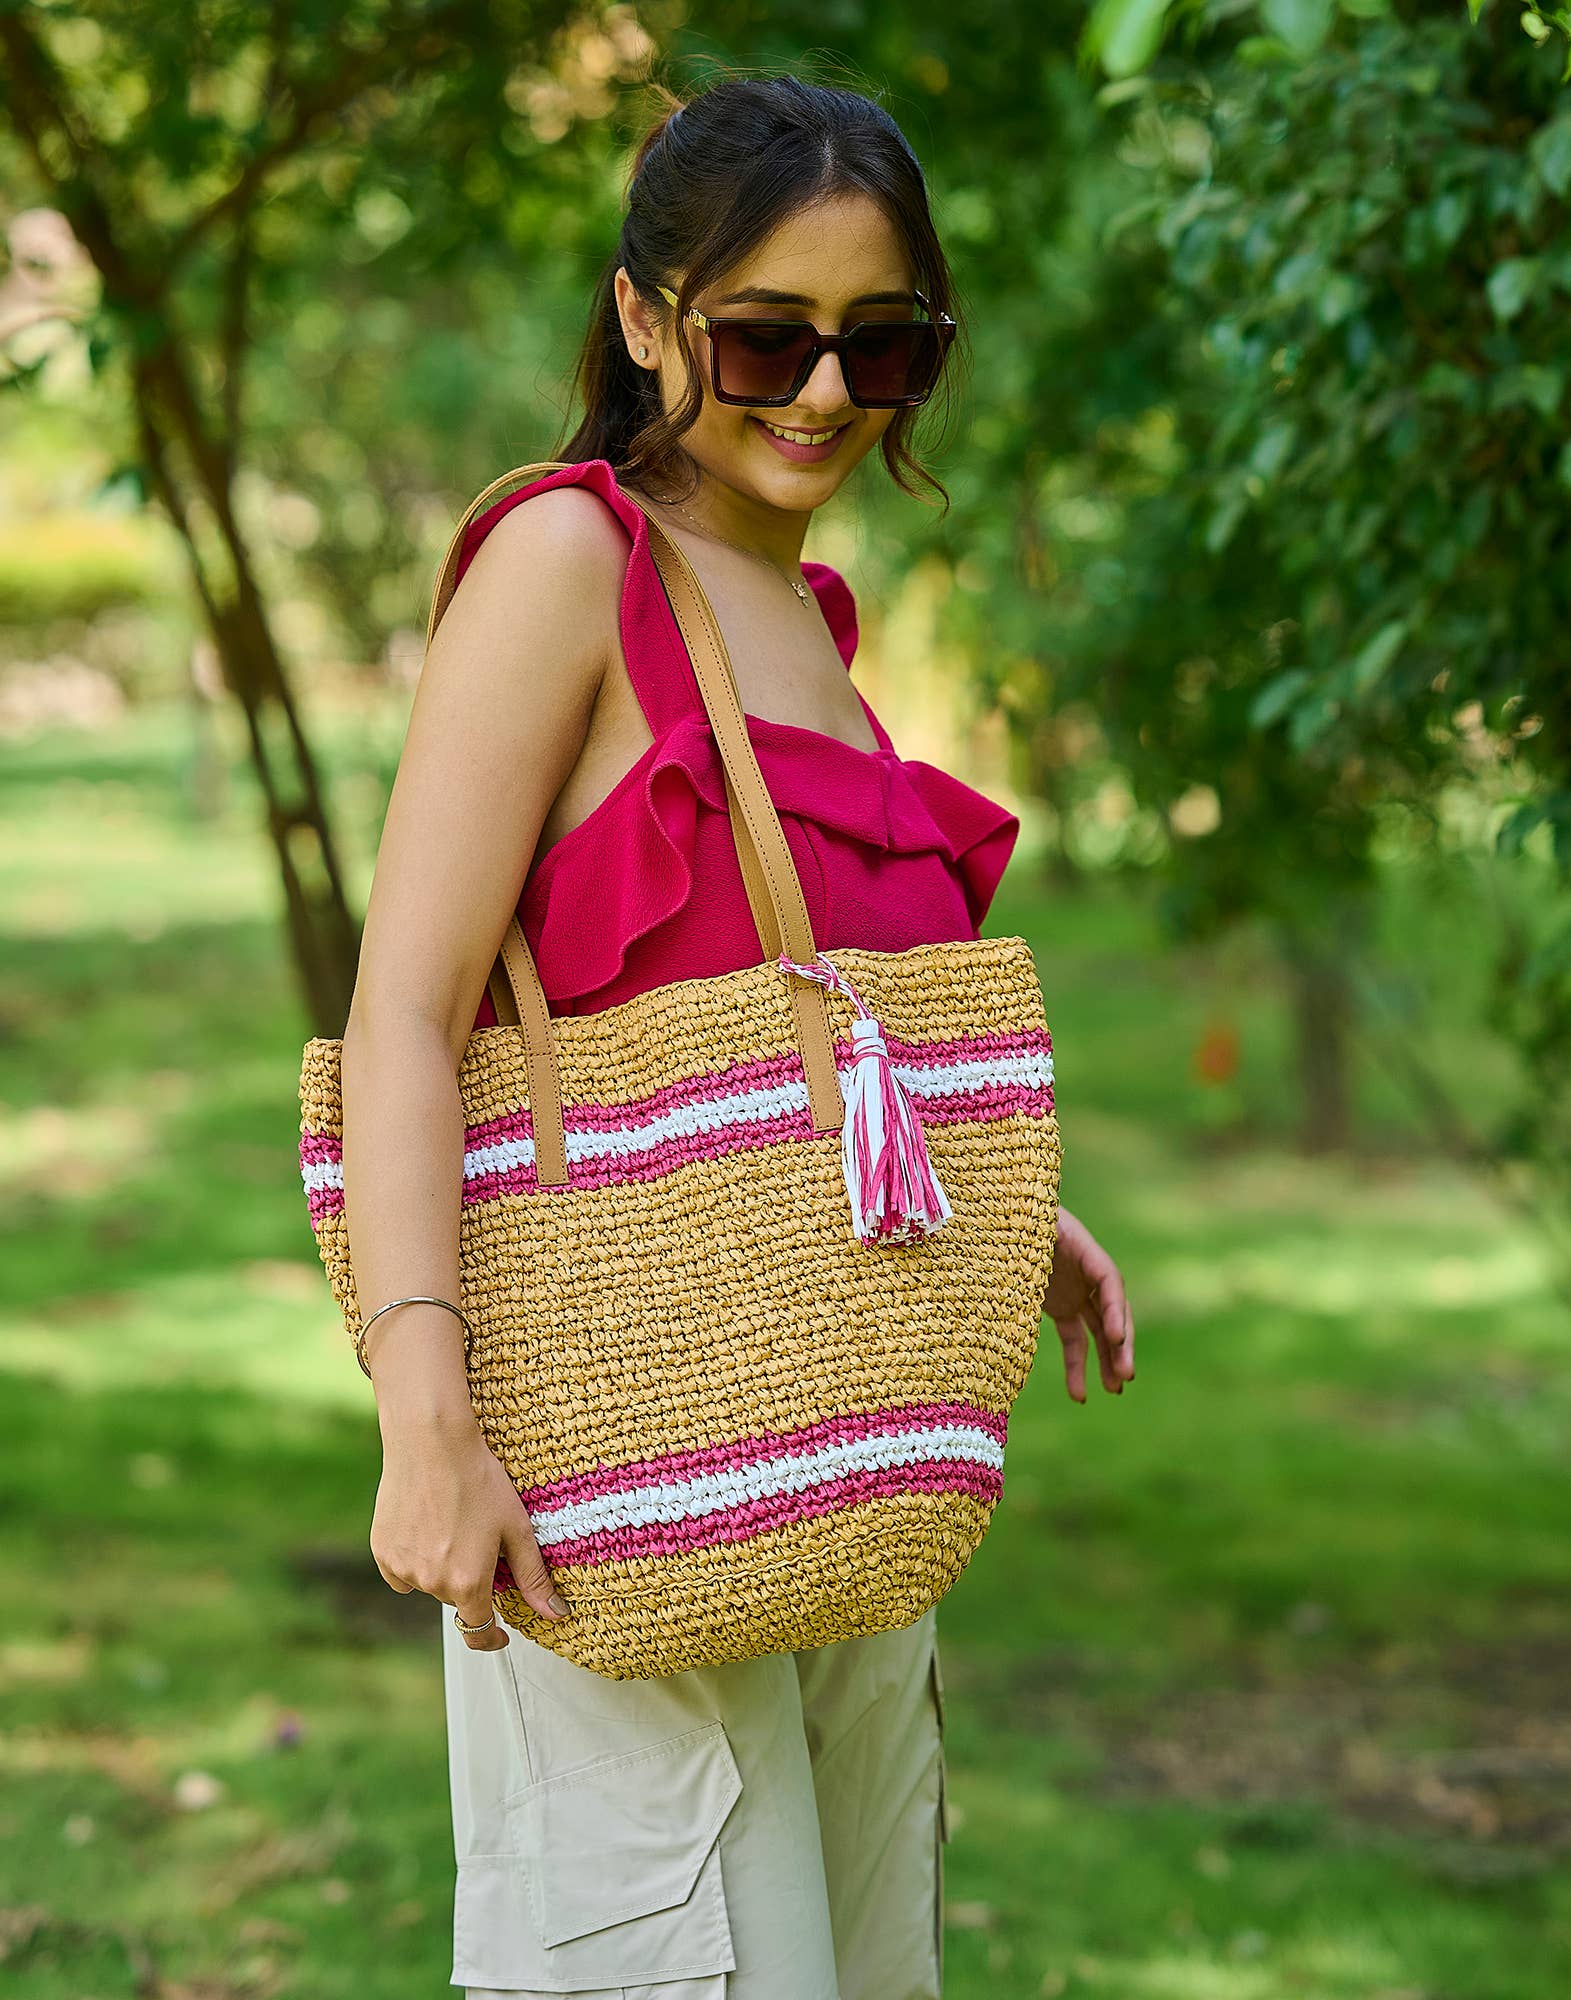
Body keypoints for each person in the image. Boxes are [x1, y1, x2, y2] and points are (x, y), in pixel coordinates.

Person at [337, 70, 1135, 2000]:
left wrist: (999, 1214)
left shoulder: (805, 609)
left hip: (834, 1443)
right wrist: (425, 1416)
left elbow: (775, 1011)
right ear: (642, 319)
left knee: (859, 1963)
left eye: (890, 346)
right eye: (768, 336)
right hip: (618, 1462)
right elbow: (402, 1015)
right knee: (690, 1953)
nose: (828, 397)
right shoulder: (567, 562)